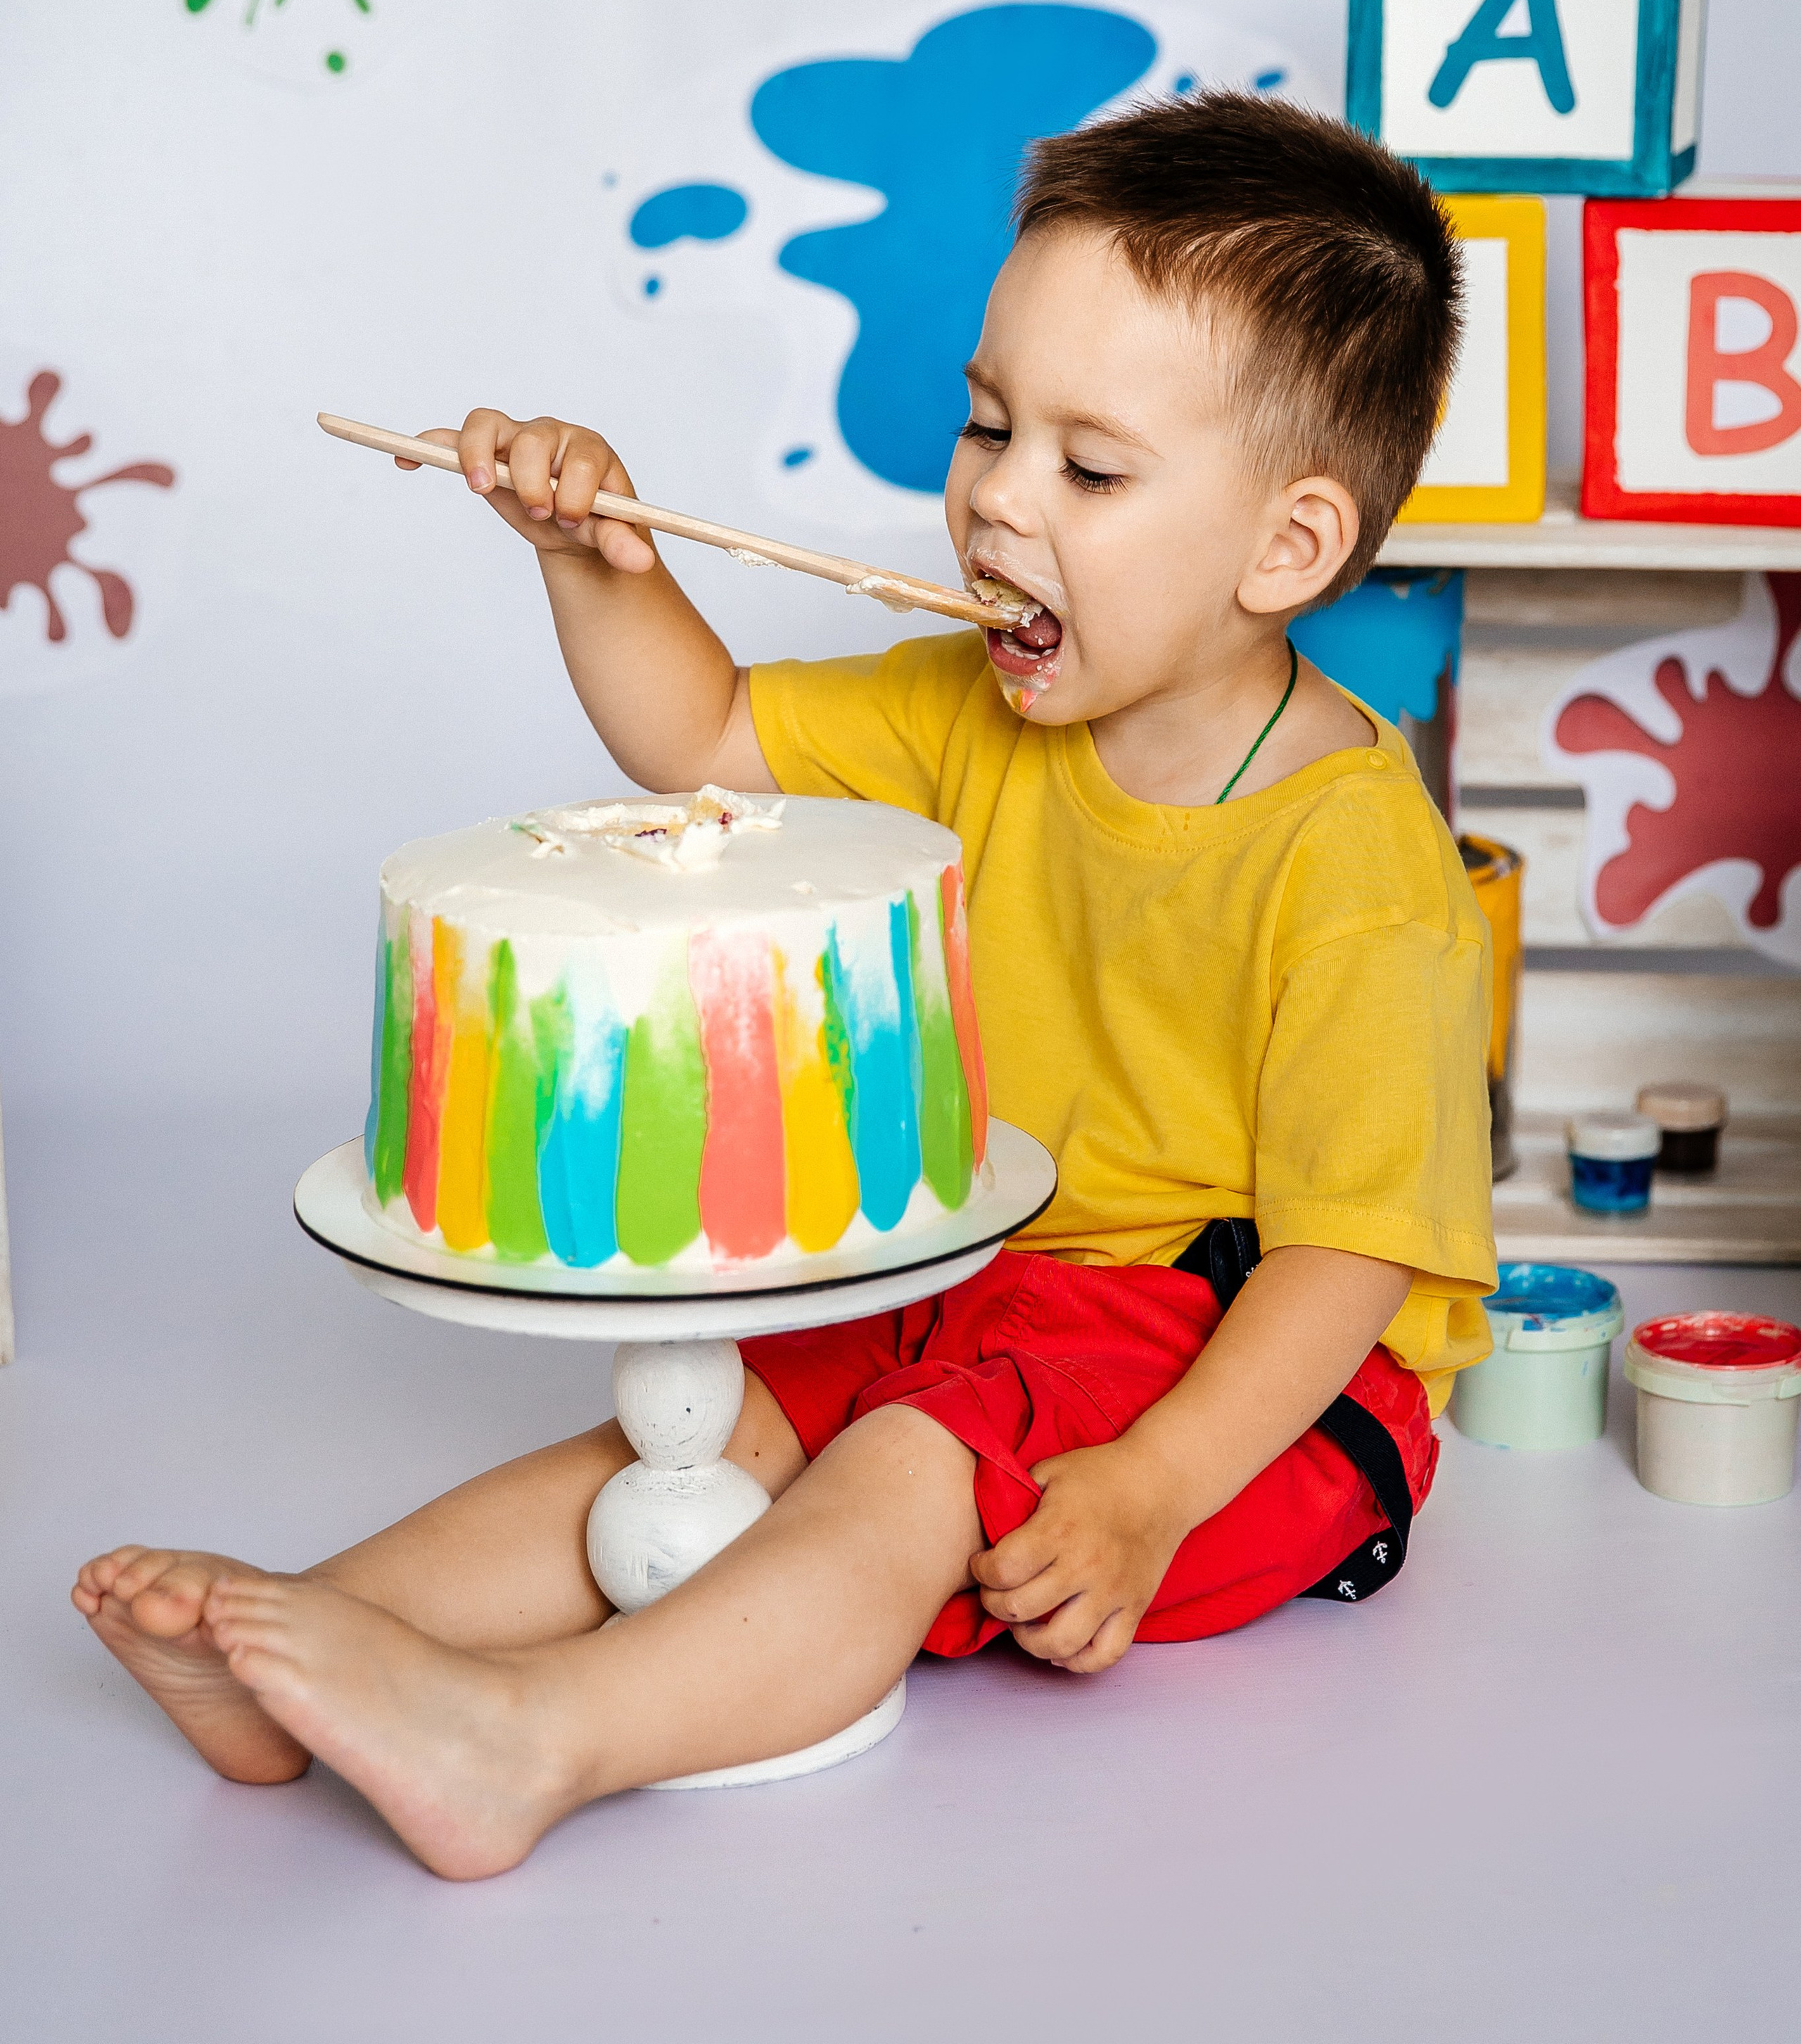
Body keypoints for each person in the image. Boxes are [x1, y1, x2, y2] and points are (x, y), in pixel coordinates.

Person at [73, 92, 1496, 1879]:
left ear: (1285, 550)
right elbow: (710, 736)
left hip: (1243, 1387)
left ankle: (537, 1738)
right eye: (987, 425)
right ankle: (306, 1638)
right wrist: (598, 569)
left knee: (904, 1459)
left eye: (1089, 468)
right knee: (700, 1423)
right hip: (983, 1288)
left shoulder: (1358, 865)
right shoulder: (969, 707)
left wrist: (1149, 1488)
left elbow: (1344, 1262)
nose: (991, 498)